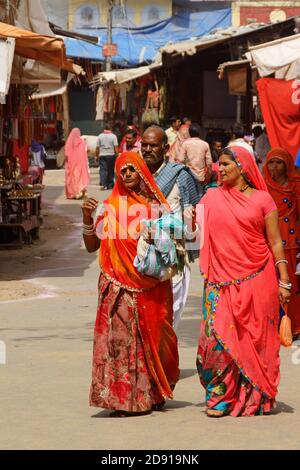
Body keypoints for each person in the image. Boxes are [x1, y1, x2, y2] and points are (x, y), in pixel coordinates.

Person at [81, 152, 180, 416]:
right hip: (117, 286)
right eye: (122, 171)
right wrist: (87, 219)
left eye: (131, 170)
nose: (127, 175)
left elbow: (173, 247)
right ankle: (122, 400)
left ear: (142, 174)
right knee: (119, 343)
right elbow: (92, 247)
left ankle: (154, 393)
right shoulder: (108, 208)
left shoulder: (158, 209)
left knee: (155, 338)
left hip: (152, 286)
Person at [196, 145, 290, 417]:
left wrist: (284, 280)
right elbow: (193, 230)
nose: (219, 169)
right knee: (215, 341)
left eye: (225, 164)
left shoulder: (263, 200)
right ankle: (220, 397)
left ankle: (254, 396)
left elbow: (274, 241)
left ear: (243, 167)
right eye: (219, 164)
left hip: (258, 278)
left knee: (255, 339)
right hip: (219, 281)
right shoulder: (211, 197)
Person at [141, 126, 201, 329]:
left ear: (165, 148)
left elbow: (194, 219)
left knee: (167, 323)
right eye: (144, 145)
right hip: (139, 260)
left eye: (153, 145)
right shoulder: (134, 174)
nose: (148, 149)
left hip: (171, 261)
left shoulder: (180, 176)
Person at [264, 148, 300, 339]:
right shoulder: (263, 187)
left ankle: (293, 325)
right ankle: (273, 324)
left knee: (292, 285)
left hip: (292, 240)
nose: (274, 166)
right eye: (271, 162)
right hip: (269, 240)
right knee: (271, 285)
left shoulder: (295, 186)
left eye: (278, 162)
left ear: (286, 165)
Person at [64, 128, 90, 200]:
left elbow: (66, 154)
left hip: (71, 165)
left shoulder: (68, 143)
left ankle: (74, 193)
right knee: (80, 177)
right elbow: (87, 150)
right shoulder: (82, 142)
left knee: (73, 178)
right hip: (80, 164)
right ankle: (80, 192)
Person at [95, 122, 119, 190]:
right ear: (111, 128)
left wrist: (96, 156)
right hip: (111, 155)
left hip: (102, 155)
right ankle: (110, 184)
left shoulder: (100, 136)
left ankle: (103, 184)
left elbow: (97, 148)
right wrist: (117, 155)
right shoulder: (113, 136)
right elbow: (116, 147)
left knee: (103, 170)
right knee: (110, 170)